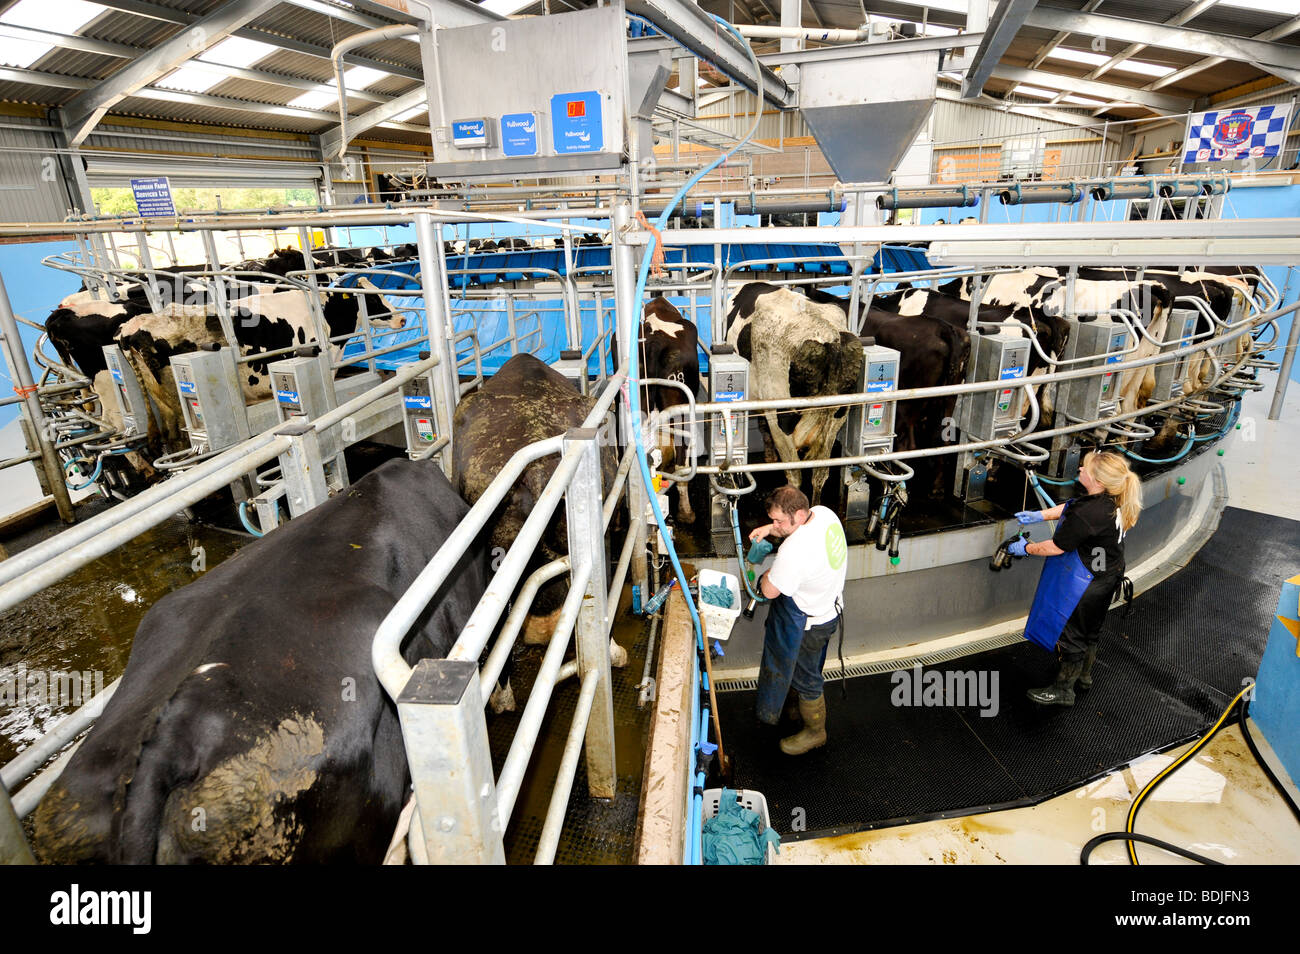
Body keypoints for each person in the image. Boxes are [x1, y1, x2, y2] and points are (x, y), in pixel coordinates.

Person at [1010, 450, 1143, 706]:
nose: (1080, 470)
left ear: (1098, 481)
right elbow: (1072, 508)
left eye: (1085, 469)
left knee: (1070, 634)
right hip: (1108, 573)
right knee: (1090, 631)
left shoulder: (1090, 513)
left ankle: (1064, 690)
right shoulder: (1110, 498)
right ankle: (1083, 676)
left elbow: (1057, 547)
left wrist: (1025, 549)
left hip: (1087, 583)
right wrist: (1041, 515)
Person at [748, 485, 848, 754]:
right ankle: (794, 707)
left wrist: (767, 574)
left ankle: (816, 732)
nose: (774, 524)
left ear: (800, 515)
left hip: (809, 622)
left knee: (808, 678)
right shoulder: (824, 514)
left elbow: (769, 591)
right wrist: (771, 530)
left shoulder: (794, 551)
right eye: (773, 519)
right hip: (829, 605)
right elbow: (798, 538)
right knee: (811, 666)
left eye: (779, 521)